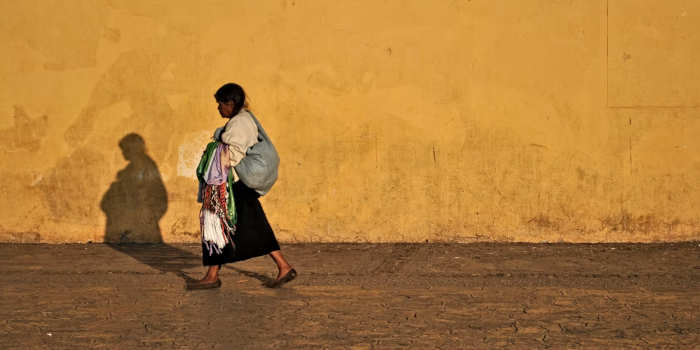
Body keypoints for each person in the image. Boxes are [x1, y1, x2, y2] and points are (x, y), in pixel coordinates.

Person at [187, 83, 296, 290]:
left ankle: (213, 275)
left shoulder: (239, 124)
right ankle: (283, 266)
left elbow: (231, 154)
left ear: (231, 103)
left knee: (217, 221)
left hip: (235, 183)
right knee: (246, 223)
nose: (219, 108)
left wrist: (217, 150)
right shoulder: (241, 120)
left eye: (220, 104)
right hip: (240, 184)